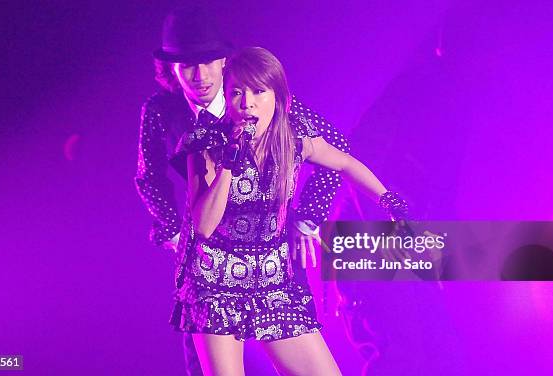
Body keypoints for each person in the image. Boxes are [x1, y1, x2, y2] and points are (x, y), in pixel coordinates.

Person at [134, 5, 352, 375]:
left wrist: (308, 220)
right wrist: (172, 230)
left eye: (207, 61)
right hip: (206, 266)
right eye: (186, 65)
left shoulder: (262, 98)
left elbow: (335, 149)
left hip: (270, 256)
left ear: (224, 61)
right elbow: (148, 176)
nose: (198, 75)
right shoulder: (161, 111)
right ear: (171, 69)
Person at [172, 46, 406, 376]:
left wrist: (389, 201)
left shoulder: (293, 138)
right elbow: (204, 225)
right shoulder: (206, 142)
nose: (247, 103)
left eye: (257, 91)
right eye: (236, 92)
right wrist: (229, 162)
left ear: (278, 97)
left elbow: (346, 163)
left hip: (273, 281)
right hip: (215, 281)